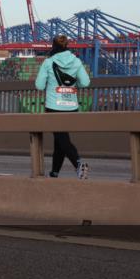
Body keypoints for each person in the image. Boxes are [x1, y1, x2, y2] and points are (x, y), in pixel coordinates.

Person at [35, 35, 91, 179]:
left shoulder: (48, 62)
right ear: (67, 46)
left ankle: (78, 163)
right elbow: (85, 82)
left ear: (53, 46)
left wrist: (52, 84)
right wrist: (73, 85)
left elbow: (39, 86)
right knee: (59, 140)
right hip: (72, 106)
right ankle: (54, 173)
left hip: (54, 106)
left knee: (62, 140)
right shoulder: (76, 61)